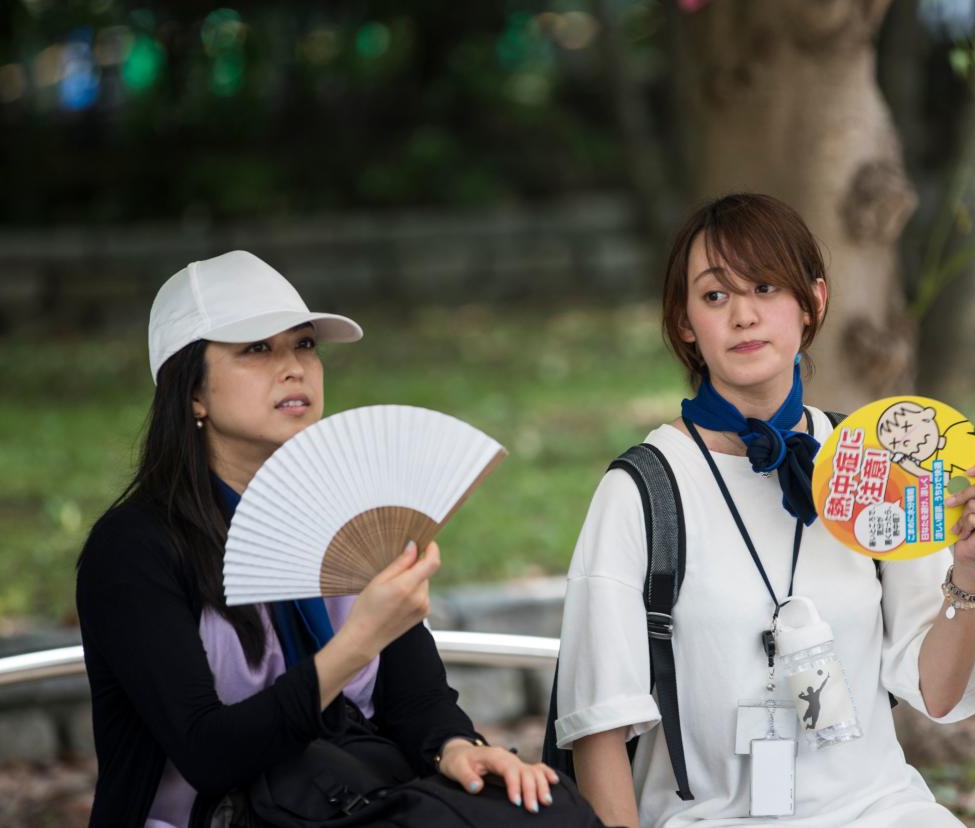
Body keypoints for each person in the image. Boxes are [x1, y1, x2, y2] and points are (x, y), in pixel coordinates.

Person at [76, 251, 596, 827]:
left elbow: (417, 701)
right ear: (192, 392)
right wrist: (358, 641)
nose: (294, 367)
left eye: (303, 345)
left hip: (349, 799)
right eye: (256, 349)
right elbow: (208, 752)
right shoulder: (133, 550)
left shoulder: (353, 520)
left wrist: (461, 750)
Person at [553, 194, 975, 828]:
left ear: (812, 303)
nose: (743, 315)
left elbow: (937, 692)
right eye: (715, 296)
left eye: (765, 287)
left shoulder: (871, 463)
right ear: (685, 323)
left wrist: (966, 571)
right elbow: (598, 726)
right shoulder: (643, 488)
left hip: (877, 810)